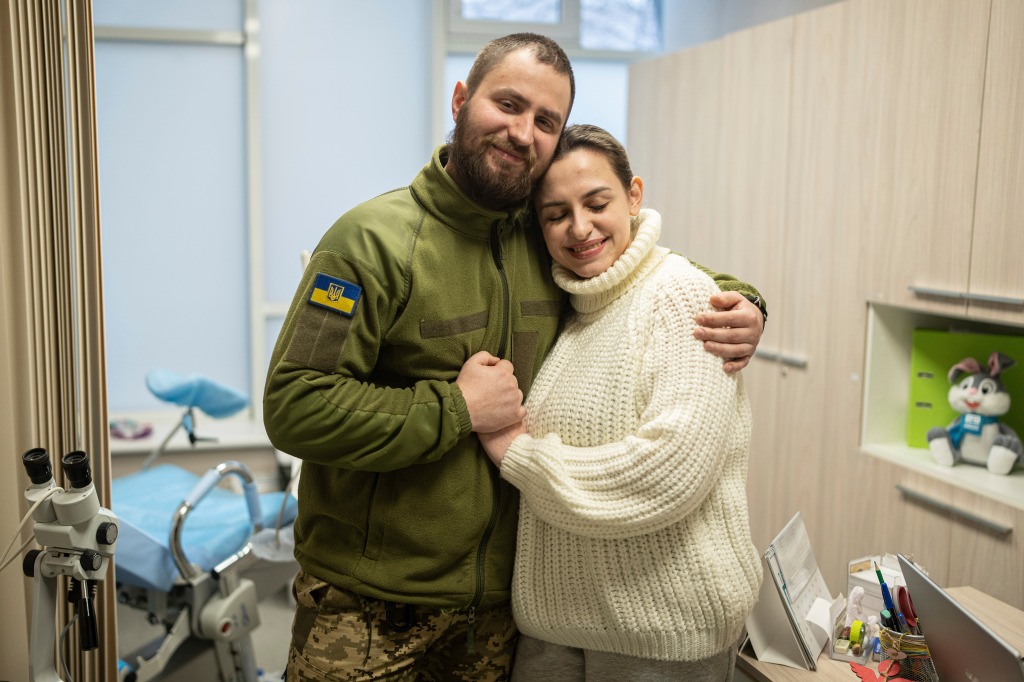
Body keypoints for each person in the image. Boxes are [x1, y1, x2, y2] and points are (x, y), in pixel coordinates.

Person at [264, 33, 765, 681]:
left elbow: (645, 270)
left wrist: (744, 300)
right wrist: (456, 407)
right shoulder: (370, 241)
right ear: (460, 100)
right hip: (367, 613)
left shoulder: (544, 236)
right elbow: (295, 405)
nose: (523, 131)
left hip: (500, 619)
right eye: (508, 104)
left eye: (546, 121)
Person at [478, 123, 762, 681]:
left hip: (662, 636)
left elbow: (667, 473)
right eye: (556, 214)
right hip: (554, 628)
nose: (579, 228)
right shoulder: (570, 307)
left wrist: (517, 454)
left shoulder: (682, 296)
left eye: (596, 202)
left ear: (633, 196)